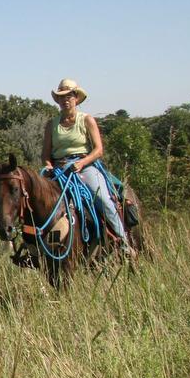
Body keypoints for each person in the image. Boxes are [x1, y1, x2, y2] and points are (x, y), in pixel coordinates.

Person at [41, 78, 136, 258]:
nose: (65, 100)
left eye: (69, 96)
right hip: (58, 169)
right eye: (61, 97)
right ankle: (34, 247)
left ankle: (123, 243)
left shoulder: (86, 120)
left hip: (83, 166)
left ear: (76, 98)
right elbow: (46, 154)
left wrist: (82, 163)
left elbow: (98, 150)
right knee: (37, 199)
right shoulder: (51, 125)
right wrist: (47, 164)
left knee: (102, 197)